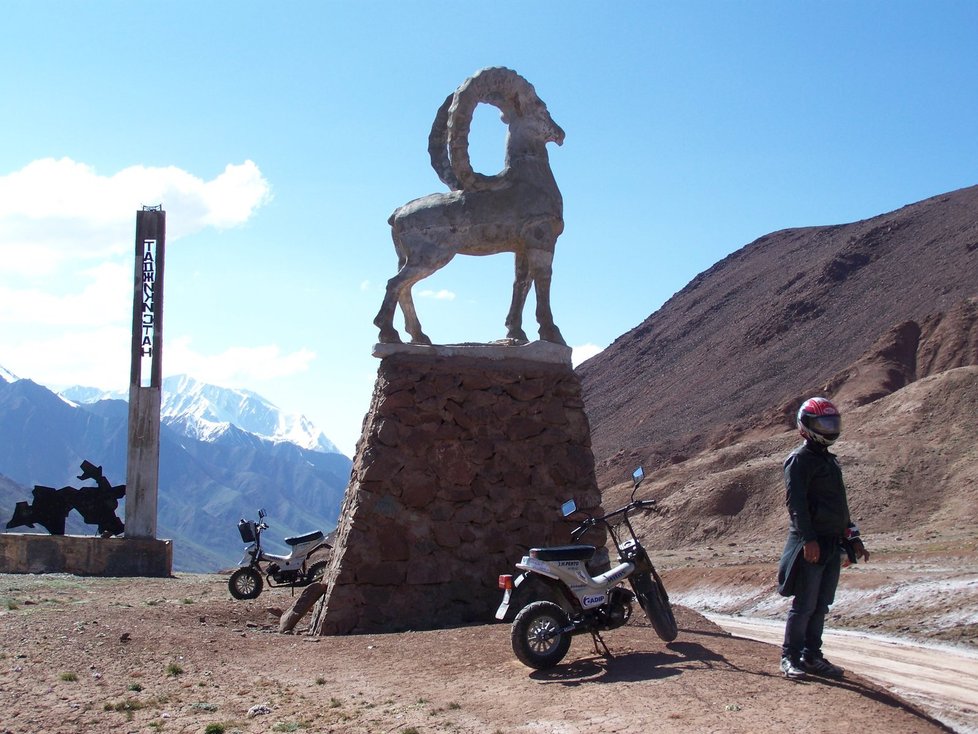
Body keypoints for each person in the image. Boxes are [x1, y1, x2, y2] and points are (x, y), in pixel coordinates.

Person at [777, 397, 869, 680]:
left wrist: (852, 536)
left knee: (821, 604)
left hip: (832, 542)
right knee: (804, 604)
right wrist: (808, 540)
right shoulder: (799, 461)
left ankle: (812, 655)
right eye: (822, 424)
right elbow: (797, 506)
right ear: (806, 427)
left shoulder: (829, 461)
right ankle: (790, 657)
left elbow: (839, 506)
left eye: (831, 423)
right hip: (811, 544)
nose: (829, 429)